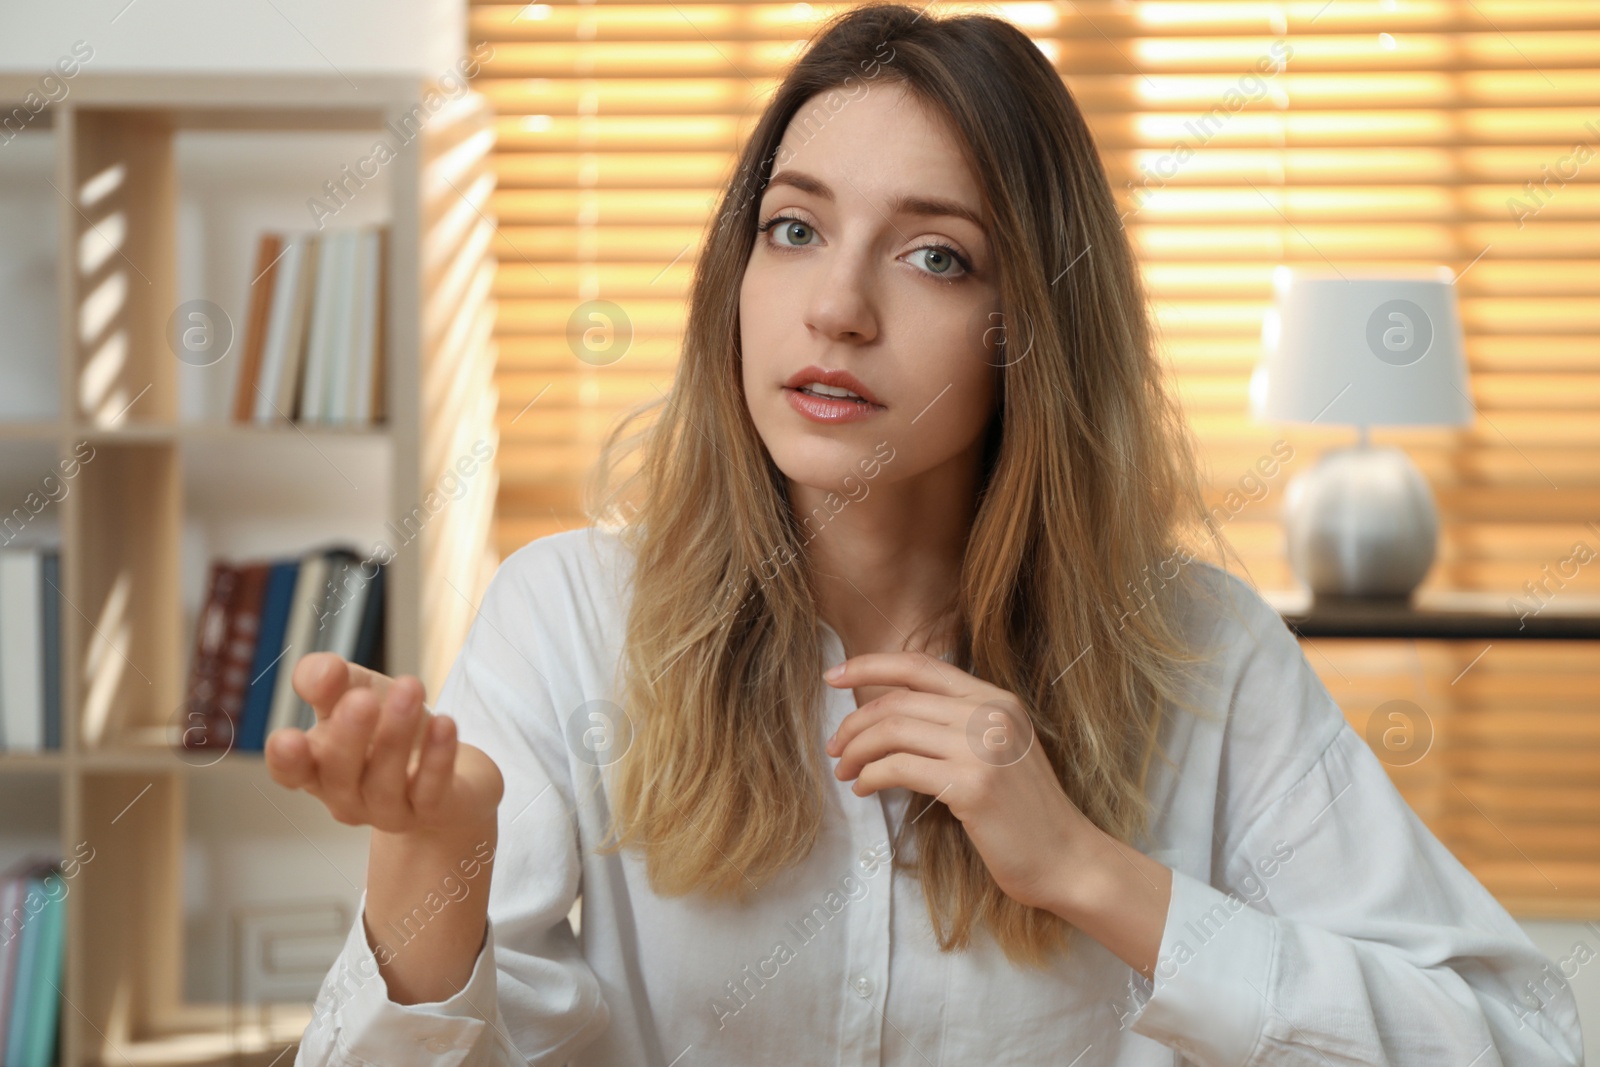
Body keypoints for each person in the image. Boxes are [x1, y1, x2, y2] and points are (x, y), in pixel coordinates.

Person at [268, 4, 1585, 1065]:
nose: (835, 306)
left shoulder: (1200, 654)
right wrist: (433, 859)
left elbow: (1518, 1041)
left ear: (1032, 325)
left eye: (935, 256)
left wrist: (1088, 871)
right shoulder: (570, 614)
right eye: (794, 229)